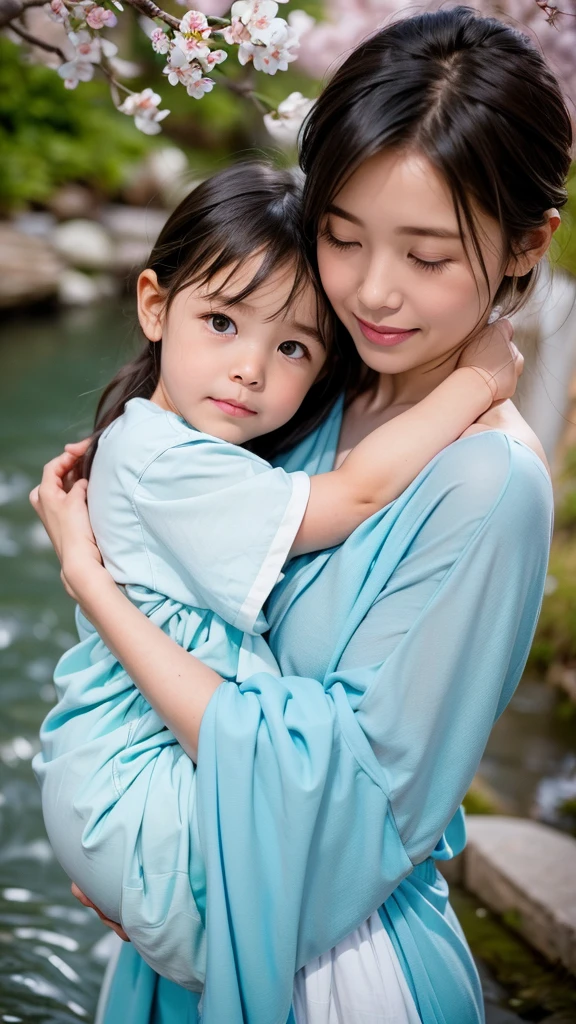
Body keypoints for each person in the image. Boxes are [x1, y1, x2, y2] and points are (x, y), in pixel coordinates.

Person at [30, 7, 572, 1024]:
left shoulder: (486, 486)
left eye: (428, 254)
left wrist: (92, 587)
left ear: (523, 245)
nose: (374, 292)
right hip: (197, 892)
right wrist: (134, 844)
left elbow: (340, 801)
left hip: (329, 966)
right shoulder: (323, 386)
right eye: (342, 235)